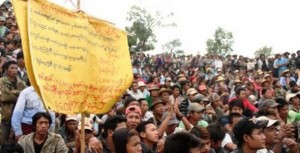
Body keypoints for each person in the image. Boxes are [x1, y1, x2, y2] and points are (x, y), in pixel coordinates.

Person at [0, 60, 26, 143]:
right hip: (6, 116)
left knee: (17, 141)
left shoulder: (21, 82)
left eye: (16, 68)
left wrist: (15, 92)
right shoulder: (1, 81)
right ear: (6, 69)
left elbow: (26, 96)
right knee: (4, 140)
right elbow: (4, 97)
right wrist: (20, 95)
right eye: (12, 68)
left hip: (19, 116)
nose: (14, 70)